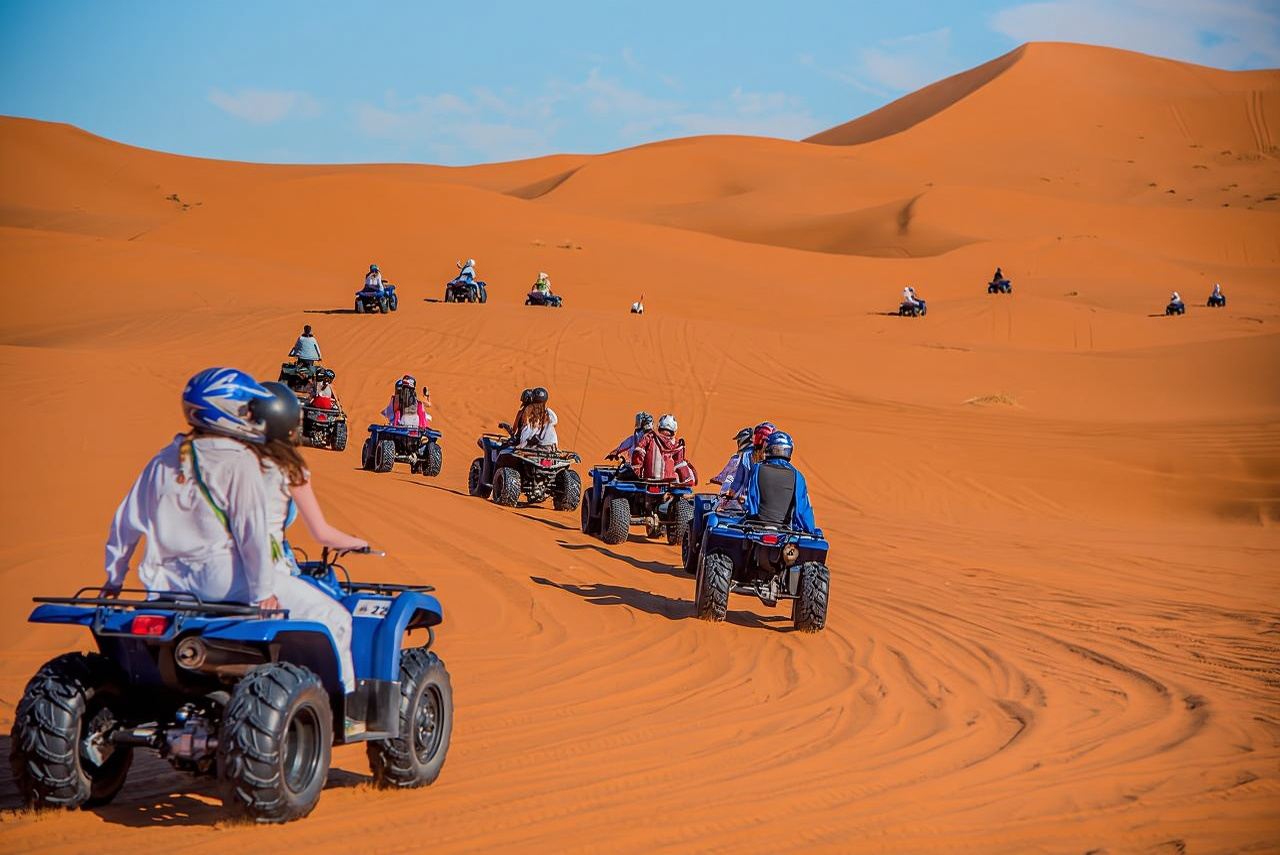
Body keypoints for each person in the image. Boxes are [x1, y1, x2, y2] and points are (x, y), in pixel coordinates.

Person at [101, 368, 364, 722]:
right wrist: (262, 591)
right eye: (247, 409)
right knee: (336, 617)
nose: (252, 416)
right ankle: (342, 713)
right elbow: (251, 534)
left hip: (164, 584)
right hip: (227, 583)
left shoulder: (166, 456)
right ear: (225, 410)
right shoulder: (240, 462)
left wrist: (114, 578)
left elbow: (126, 520)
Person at [254, 383, 368, 729]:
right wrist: (356, 542)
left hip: (207, 576)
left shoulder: (232, 462)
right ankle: (350, 711)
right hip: (267, 572)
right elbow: (321, 533)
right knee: (338, 620)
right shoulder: (289, 468)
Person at [740, 430, 817, 533]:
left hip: (756, 527)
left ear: (768, 448)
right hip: (784, 532)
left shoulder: (757, 468)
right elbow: (803, 510)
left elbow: (752, 498)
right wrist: (811, 531)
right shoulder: (797, 475)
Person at [631, 414, 697, 485]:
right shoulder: (677, 444)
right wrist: (687, 480)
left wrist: (638, 473)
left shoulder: (649, 437)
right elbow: (680, 464)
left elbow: (638, 453)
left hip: (649, 479)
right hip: (669, 482)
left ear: (659, 426)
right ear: (674, 430)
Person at [711, 427, 754, 509]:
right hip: (750, 501)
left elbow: (724, 475)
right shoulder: (757, 457)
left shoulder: (736, 459)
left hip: (734, 499)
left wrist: (716, 479)